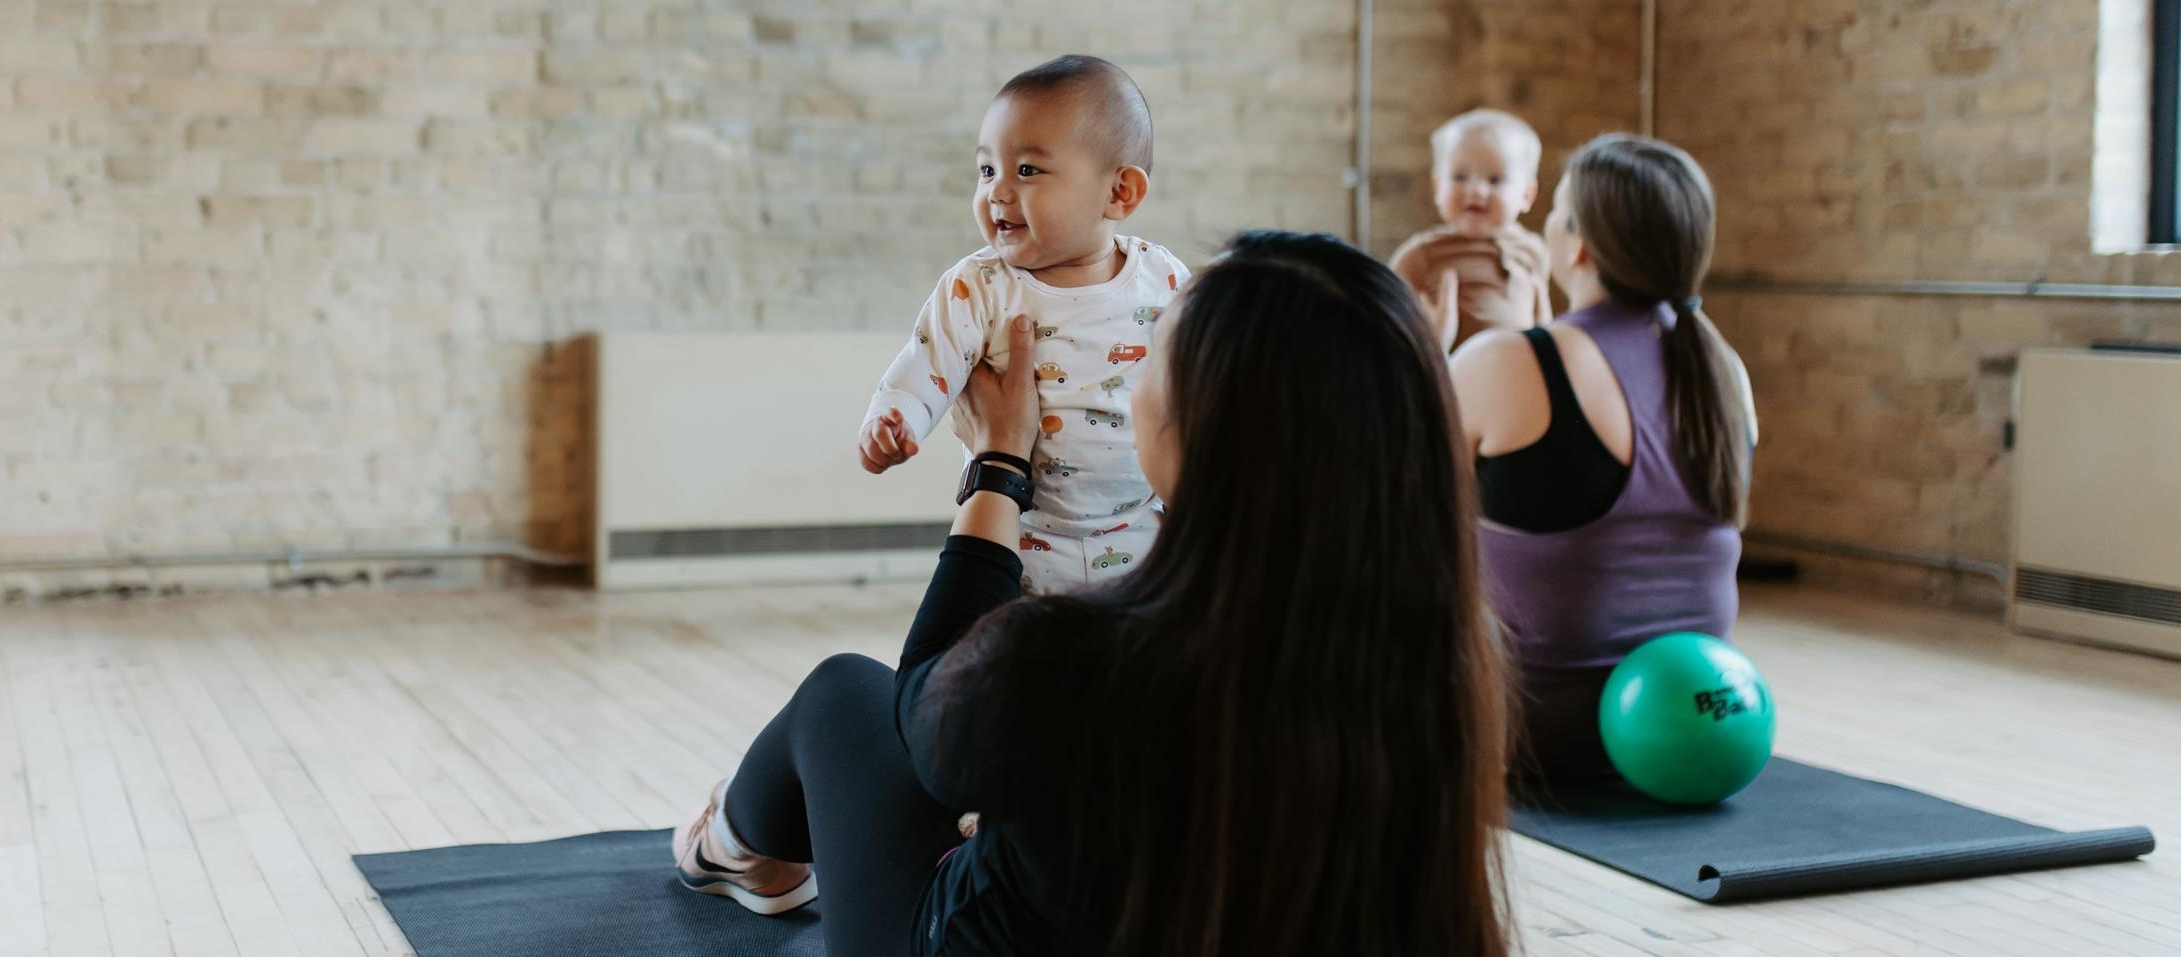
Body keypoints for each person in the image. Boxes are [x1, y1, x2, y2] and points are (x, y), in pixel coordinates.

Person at [676, 231, 1512, 955]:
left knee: (847, 694)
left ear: (1195, 432)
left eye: (1151, 354)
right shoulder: (1439, 649)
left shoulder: (1074, 653)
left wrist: (1000, 459)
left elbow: (927, 725)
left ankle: (734, 846)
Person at [1451, 133, 1757, 783]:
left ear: (1579, 244)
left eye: (1557, 213)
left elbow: (1389, 510)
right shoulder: (1724, 369)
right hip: (1705, 723)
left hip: (1530, 734)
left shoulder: (1509, 360)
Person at [856, 54, 1190, 595]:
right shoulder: (978, 287)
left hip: (1139, 534)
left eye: (1027, 171)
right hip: (1024, 538)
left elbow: (1196, 387)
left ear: (1119, 192)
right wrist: (894, 420)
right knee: (1016, 658)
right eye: (987, 170)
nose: (997, 193)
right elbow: (924, 369)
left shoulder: (1162, 279)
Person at [1387, 108, 1554, 354]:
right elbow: (1389, 330)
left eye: (1495, 180)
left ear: (1527, 195)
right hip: (1451, 378)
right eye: (1459, 177)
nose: (1475, 190)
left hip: (1517, 377)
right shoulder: (1420, 256)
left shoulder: (1534, 251)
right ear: (1437, 187)